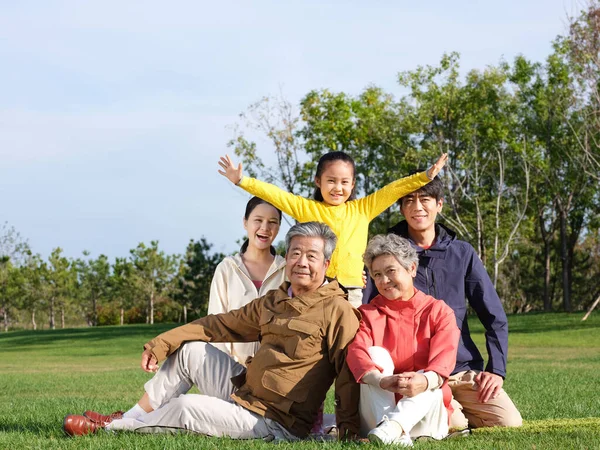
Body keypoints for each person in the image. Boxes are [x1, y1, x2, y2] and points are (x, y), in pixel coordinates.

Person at [63, 222, 361, 442]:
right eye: (296, 253)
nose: (302, 263)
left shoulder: (338, 310)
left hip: (275, 421)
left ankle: (113, 429)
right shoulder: (275, 300)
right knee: (190, 350)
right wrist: (162, 343)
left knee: (186, 406)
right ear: (287, 257)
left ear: (327, 263)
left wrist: (348, 431)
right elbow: (219, 324)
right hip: (243, 394)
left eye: (311, 256)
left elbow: (347, 376)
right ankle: (132, 416)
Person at [218, 152, 448, 308]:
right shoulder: (306, 208)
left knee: (349, 350)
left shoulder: (363, 208)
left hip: (353, 291)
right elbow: (276, 195)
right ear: (318, 181)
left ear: (353, 184)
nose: (338, 188)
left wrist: (425, 176)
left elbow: (393, 190)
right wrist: (242, 181)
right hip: (317, 289)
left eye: (344, 182)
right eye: (331, 181)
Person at [385, 174, 522, 429]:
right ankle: (449, 413)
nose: (417, 207)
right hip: (418, 373)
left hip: (462, 368)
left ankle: (452, 409)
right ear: (402, 208)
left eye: (425, 199)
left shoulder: (462, 253)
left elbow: (494, 316)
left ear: (439, 204)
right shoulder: (387, 253)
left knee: (509, 422)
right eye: (409, 200)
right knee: (456, 423)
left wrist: (496, 370)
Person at [347, 234, 460, 446]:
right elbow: (356, 353)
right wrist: (380, 380)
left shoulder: (439, 311)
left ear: (412, 269)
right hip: (377, 413)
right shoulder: (367, 313)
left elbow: (443, 362)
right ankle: (393, 431)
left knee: (428, 377)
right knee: (375, 354)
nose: (384, 280)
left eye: (391, 271)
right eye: (377, 274)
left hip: (426, 416)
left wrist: (424, 381)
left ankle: (394, 429)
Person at [207, 196, 286, 365]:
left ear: (279, 227)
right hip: (231, 369)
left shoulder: (287, 270)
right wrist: (226, 367)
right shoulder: (227, 268)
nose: (265, 228)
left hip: (275, 370)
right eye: (258, 220)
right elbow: (216, 322)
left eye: (273, 222)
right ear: (245, 222)